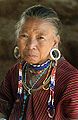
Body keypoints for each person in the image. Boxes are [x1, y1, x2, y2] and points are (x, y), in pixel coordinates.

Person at [0, 4, 78, 120]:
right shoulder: (16, 72)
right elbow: (2, 107)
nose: (31, 45)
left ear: (55, 42)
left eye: (40, 37)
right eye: (24, 36)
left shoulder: (71, 80)